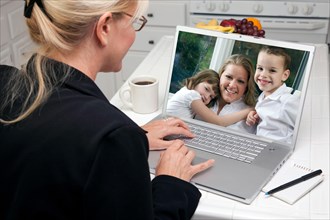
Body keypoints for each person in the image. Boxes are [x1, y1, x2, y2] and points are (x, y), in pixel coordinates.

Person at [0, 1, 214, 220]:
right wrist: (172, 183)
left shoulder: (4, 81)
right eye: (134, 23)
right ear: (104, 28)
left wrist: (124, 144)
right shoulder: (111, 136)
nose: (134, 33)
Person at [246, 46, 300, 144]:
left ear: (285, 75)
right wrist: (254, 116)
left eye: (272, 70)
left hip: (279, 150)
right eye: (260, 68)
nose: (263, 74)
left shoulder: (289, 100)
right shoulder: (263, 96)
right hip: (260, 147)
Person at [167, 69, 252, 127]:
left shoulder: (187, 93)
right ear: (198, 80)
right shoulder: (191, 95)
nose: (207, 97)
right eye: (206, 89)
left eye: (211, 97)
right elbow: (219, 122)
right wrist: (248, 111)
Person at [210, 54, 257, 134]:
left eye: (240, 81)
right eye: (228, 77)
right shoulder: (203, 96)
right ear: (220, 75)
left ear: (247, 86)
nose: (232, 85)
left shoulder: (251, 116)